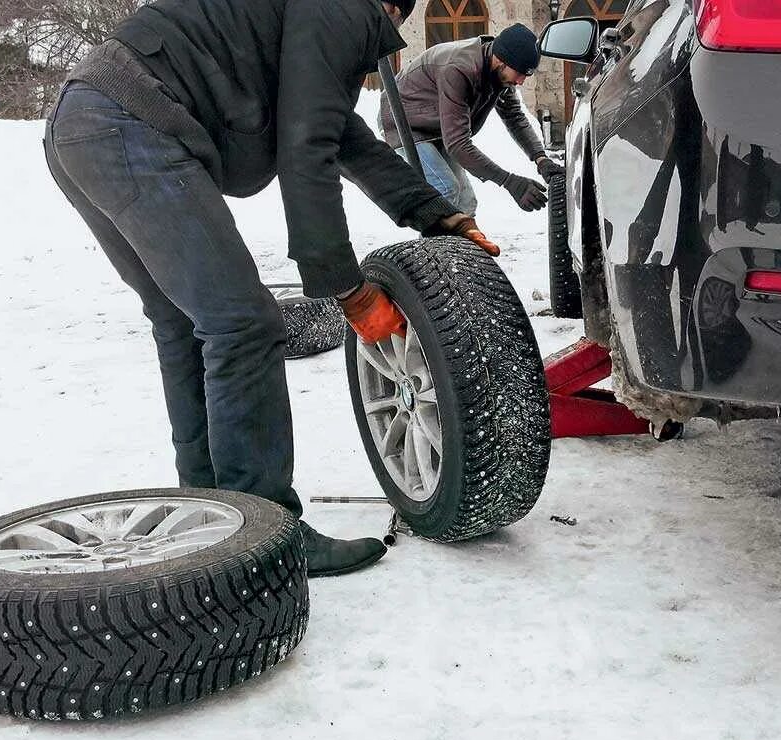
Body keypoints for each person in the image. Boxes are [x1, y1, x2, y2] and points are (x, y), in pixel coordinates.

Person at [42, 0, 501, 577]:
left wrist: (435, 213)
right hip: (133, 125)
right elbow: (307, 147)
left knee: (187, 320)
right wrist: (347, 290)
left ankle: (211, 516)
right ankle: (263, 535)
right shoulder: (344, 7)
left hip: (83, 120)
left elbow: (340, 134)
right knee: (244, 323)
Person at [379, 23, 563, 217]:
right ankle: (434, 248)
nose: (520, 82)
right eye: (519, 74)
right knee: (445, 190)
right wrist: (509, 182)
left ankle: (459, 248)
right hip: (403, 121)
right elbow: (458, 144)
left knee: (466, 202)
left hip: (436, 126)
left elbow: (514, 117)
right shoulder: (458, 69)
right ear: (501, 61)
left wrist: (540, 159)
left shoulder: (499, 72)